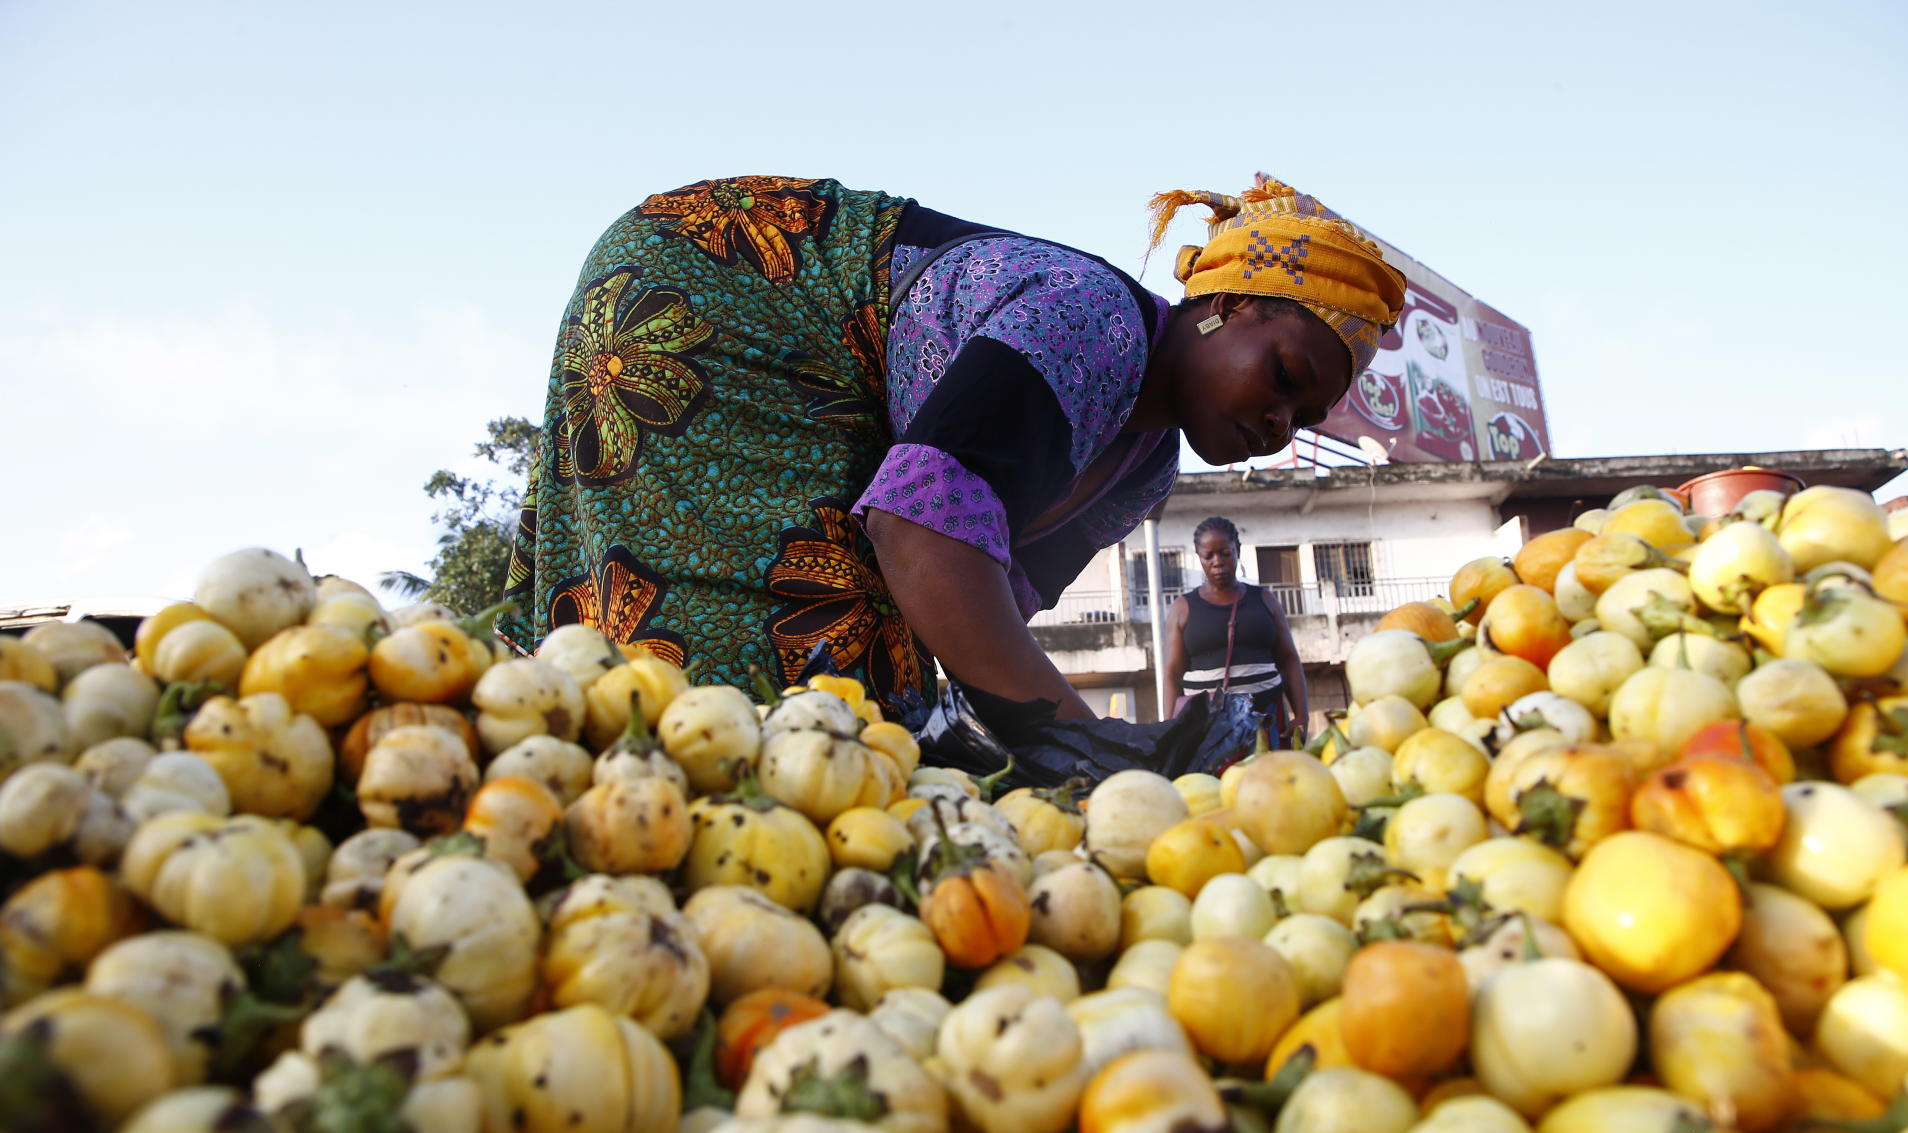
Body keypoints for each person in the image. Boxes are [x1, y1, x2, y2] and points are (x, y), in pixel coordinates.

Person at [499, 173, 1406, 719]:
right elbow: (922, 538)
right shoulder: (1095, 320)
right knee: (767, 690)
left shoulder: (1145, 468)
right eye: (1284, 377)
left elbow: (972, 618)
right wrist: (1086, 740)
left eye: (1303, 420)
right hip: (719, 287)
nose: (1279, 426)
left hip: (817, 383)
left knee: (876, 702)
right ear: (1226, 308)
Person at [1161, 517, 1308, 740]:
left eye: (1225, 553)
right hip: (1207, 728)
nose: (1217, 561)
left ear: (1237, 550)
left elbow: (1289, 660)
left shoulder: (1265, 599)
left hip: (1267, 720)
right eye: (1208, 556)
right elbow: (1172, 674)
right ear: (1199, 557)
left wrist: (1302, 715)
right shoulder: (1183, 608)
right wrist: (1171, 728)